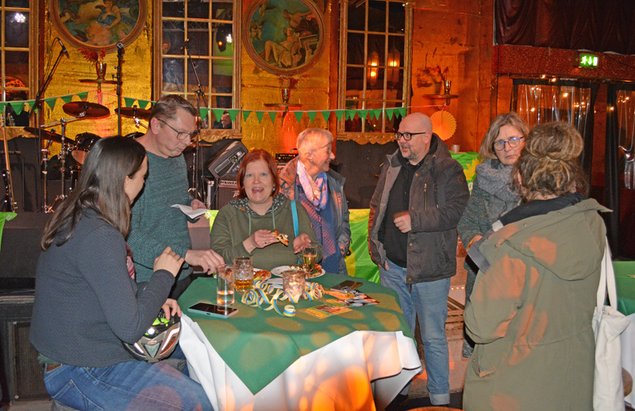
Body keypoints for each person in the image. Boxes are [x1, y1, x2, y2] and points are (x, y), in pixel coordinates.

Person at [29, 137, 212, 410]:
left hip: (83, 349)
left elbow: (105, 288)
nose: (143, 184)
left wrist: (149, 294)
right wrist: (163, 275)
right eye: (142, 177)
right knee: (198, 402)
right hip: (79, 367)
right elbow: (130, 328)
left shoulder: (83, 216)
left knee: (196, 354)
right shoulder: (99, 235)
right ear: (125, 179)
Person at [463, 122, 606, 410]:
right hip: (573, 378)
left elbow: (480, 327)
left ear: (520, 178)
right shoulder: (593, 222)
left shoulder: (509, 245)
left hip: (515, 388)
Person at [368, 112, 469, 406]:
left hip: (430, 270)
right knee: (399, 337)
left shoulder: (447, 169)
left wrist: (417, 220)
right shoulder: (392, 164)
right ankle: (398, 396)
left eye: (408, 135)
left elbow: (457, 211)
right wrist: (377, 248)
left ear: (427, 137)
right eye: (399, 134)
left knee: (433, 337)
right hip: (393, 268)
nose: (402, 141)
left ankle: (440, 401)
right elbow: (377, 205)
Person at [129, 95, 224, 297]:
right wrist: (186, 255)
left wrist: (191, 203)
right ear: (156, 125)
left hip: (182, 273)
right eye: (180, 133)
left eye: (190, 134)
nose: (187, 142)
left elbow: (175, 201)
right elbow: (128, 235)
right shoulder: (130, 164)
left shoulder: (176, 157)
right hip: (148, 279)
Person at [457, 112, 528, 357]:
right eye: (500, 142)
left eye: (513, 139)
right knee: (484, 353)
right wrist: (476, 242)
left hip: (524, 277)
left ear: (526, 140)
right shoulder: (485, 177)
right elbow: (468, 221)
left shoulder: (539, 179)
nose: (507, 148)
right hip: (486, 274)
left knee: (519, 352)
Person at [211, 149, 315, 270]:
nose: (256, 181)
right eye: (249, 175)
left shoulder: (294, 210)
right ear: (243, 183)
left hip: (288, 281)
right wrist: (250, 244)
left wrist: (306, 248)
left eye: (263, 174)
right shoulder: (227, 214)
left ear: (274, 182)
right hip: (243, 282)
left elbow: (317, 253)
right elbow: (216, 260)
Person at [279, 128, 351, 274]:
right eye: (327, 150)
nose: (332, 156)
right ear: (309, 155)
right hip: (300, 273)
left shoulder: (334, 184)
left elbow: (343, 220)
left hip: (334, 269)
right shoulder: (284, 186)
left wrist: (341, 248)